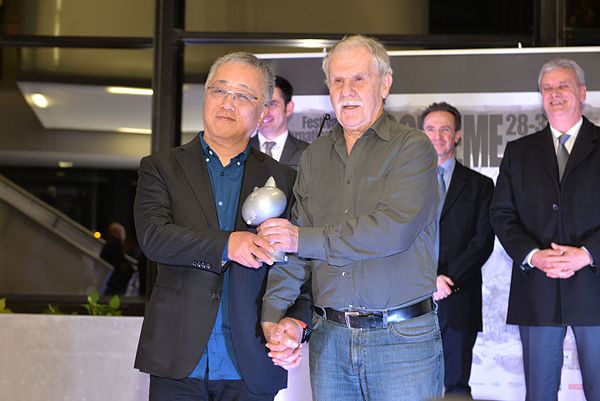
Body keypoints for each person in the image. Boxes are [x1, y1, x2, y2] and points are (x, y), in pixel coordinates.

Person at [258, 35, 443, 401]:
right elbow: (293, 248)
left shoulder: (413, 148)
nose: (347, 90)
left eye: (359, 78)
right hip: (330, 339)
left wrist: (301, 239)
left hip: (401, 344)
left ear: (385, 83)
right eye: (338, 80)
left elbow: (392, 231)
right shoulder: (313, 157)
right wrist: (275, 316)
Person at [133, 52, 311, 401]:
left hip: (252, 361)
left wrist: (297, 324)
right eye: (219, 90)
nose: (228, 103)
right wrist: (226, 245)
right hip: (178, 360)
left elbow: (303, 270)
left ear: (262, 112)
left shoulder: (287, 181)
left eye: (243, 95)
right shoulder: (161, 167)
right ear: (205, 97)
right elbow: (154, 238)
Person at [490, 58, 600, 401]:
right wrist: (534, 256)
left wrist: (587, 254)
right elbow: (501, 214)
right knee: (538, 394)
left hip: (595, 290)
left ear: (582, 93)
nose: (554, 94)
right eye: (547, 88)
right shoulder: (518, 152)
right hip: (538, 290)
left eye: (562, 85)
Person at [421, 102, 495, 399]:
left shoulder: (480, 185)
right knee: (412, 386)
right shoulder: (402, 184)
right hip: (412, 299)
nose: (437, 136)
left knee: (456, 386)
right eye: (430, 129)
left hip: (459, 297)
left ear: (458, 135)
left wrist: (446, 279)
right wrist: (427, 278)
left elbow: (483, 241)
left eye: (445, 129)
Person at [250, 75, 308, 169]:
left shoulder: (307, 152)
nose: (265, 111)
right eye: (261, 104)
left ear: (289, 108)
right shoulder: (241, 149)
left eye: (272, 104)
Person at [101, 222, 134, 295]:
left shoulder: (107, 245)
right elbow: (121, 263)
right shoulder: (115, 246)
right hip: (116, 285)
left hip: (109, 282)